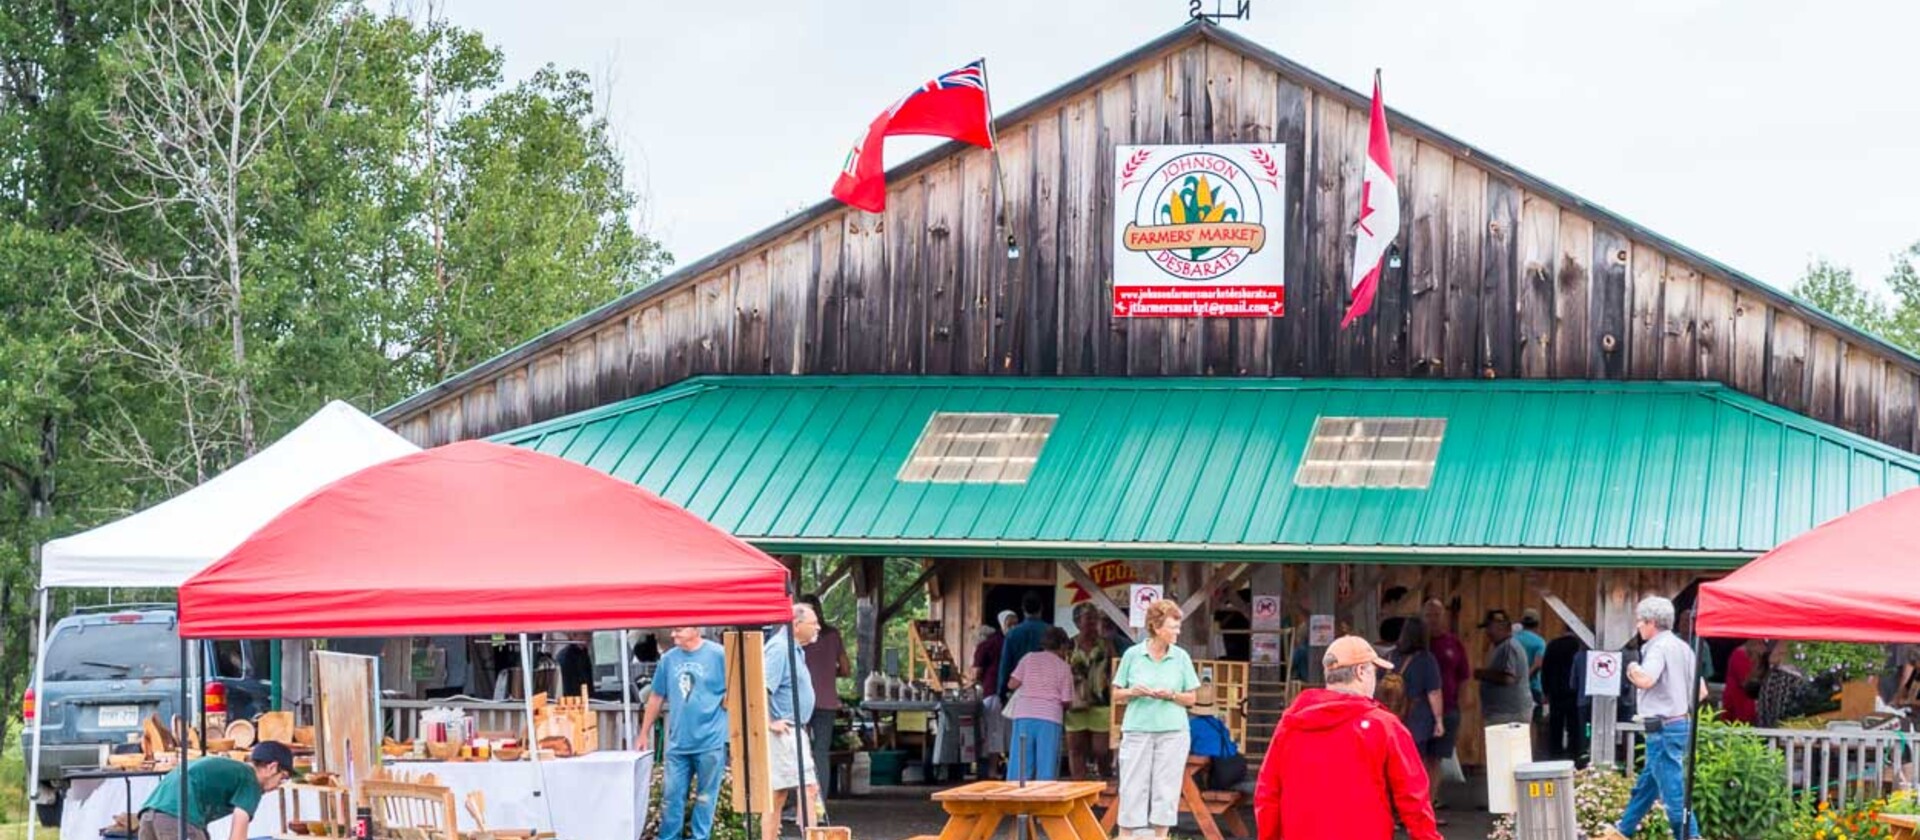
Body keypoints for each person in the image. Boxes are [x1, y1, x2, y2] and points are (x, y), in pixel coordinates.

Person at [1254, 636, 1442, 840]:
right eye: (1374, 672)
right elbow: (1414, 799)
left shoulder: (1290, 724)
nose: (1375, 681)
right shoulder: (1385, 726)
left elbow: (1267, 794)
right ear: (1361, 672)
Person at [1603, 596, 1700, 840]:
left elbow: (1646, 680)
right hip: (1680, 723)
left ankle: (1691, 836)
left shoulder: (1657, 647)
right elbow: (1703, 691)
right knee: (1647, 786)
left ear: (1651, 623)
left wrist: (1632, 668)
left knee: (1674, 794)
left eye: (1639, 621)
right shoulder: (1682, 647)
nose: (1637, 626)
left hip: (1662, 728)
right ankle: (1620, 832)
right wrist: (1677, 702)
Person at [1111, 599, 1200, 840]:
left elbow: (1192, 698)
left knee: (1167, 787)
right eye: (1173, 627)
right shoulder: (1133, 655)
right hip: (1137, 729)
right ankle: (1125, 835)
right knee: (1131, 785)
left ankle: (1161, 836)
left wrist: (1171, 695)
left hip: (1173, 731)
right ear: (1156, 627)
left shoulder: (1181, 657)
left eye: (1178, 626)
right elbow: (1116, 694)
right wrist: (1133, 692)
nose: (1178, 631)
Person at [641, 627, 728, 840]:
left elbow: (736, 687)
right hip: (678, 743)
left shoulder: (719, 654)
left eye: (679, 630)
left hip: (710, 740)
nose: (673, 635)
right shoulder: (668, 659)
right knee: (671, 799)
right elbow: (656, 697)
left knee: (706, 799)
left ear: (696, 629)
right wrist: (643, 732)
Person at [137, 741, 292, 840]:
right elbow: (238, 834)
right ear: (272, 768)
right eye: (282, 777)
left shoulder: (236, 771)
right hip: (177, 819)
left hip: (148, 816)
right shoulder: (251, 781)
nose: (279, 785)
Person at [764, 603, 822, 840]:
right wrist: (770, 722)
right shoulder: (779, 649)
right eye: (813, 623)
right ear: (796, 625)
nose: (818, 627)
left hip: (794, 730)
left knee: (792, 791)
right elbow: (762, 688)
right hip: (783, 731)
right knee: (792, 791)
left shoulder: (795, 648)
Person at [797, 594, 849, 799]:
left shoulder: (800, 637)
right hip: (827, 701)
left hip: (801, 700)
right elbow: (845, 669)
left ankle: (798, 803)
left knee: (797, 751)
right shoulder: (833, 635)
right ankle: (821, 802)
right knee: (821, 753)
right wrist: (828, 671)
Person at [1007, 627, 1075, 780]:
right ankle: (1044, 798)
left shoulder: (1028, 658)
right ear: (1063, 646)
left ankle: (1017, 797)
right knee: (1046, 764)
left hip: (1024, 715)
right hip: (1049, 718)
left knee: (1021, 763)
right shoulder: (1064, 667)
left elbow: (1012, 684)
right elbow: (1066, 701)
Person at [1420, 598, 1469, 807]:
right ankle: (1413, 804)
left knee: (1436, 759)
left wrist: (1463, 703)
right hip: (1419, 711)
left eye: (1437, 614)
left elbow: (1464, 675)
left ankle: (1428, 804)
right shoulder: (1417, 645)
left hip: (1448, 709)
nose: (1433, 619)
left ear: (1444, 616)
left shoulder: (1453, 643)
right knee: (1418, 758)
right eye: (1428, 614)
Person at [1066, 603, 1119, 780]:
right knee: (1075, 749)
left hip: (1101, 703)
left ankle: (1105, 780)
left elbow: (1115, 671)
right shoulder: (1069, 645)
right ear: (1076, 622)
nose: (1092, 622)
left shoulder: (1106, 645)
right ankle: (1078, 789)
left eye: (1095, 618)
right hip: (1075, 704)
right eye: (1088, 618)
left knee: (1101, 749)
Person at [1476, 609, 1533, 726]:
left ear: (1501, 627)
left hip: (1509, 715)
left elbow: (1508, 678)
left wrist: (1482, 674)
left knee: (1506, 744)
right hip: (1504, 714)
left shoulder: (1508, 647)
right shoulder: (1502, 647)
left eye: (1489, 627)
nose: (1487, 632)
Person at [1542, 628, 1589, 761]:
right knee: (1575, 727)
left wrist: (1546, 690)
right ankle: (1574, 755)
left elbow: (1545, 669)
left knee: (1555, 725)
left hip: (1556, 692)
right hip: (1575, 693)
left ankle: (1554, 755)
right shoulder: (1579, 647)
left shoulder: (1553, 645)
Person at [998, 592, 1050, 702]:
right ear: (1042, 607)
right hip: (1046, 692)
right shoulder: (1051, 632)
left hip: (1019, 692)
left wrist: (1002, 693)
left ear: (1023, 609)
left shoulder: (1012, 634)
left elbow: (1005, 666)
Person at [973, 622, 1009, 779]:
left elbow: (976, 673)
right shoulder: (1006, 643)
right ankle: (1009, 768)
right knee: (1007, 732)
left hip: (991, 692)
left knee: (993, 733)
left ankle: (991, 771)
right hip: (1008, 694)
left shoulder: (984, 646)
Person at [1719, 638, 1765, 725]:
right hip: (1737, 709)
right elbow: (1748, 685)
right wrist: (1758, 661)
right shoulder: (1740, 655)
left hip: (1749, 710)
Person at [1517, 609, 1548, 714]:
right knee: (1535, 722)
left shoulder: (1512, 640)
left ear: (1522, 623)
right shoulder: (1539, 642)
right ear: (1537, 624)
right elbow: (1538, 664)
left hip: (1512, 688)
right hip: (1533, 687)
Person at [554, 631, 595, 697]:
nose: (589, 637)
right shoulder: (565, 657)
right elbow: (568, 688)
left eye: (590, 634)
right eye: (586, 634)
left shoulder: (584, 654)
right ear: (574, 635)